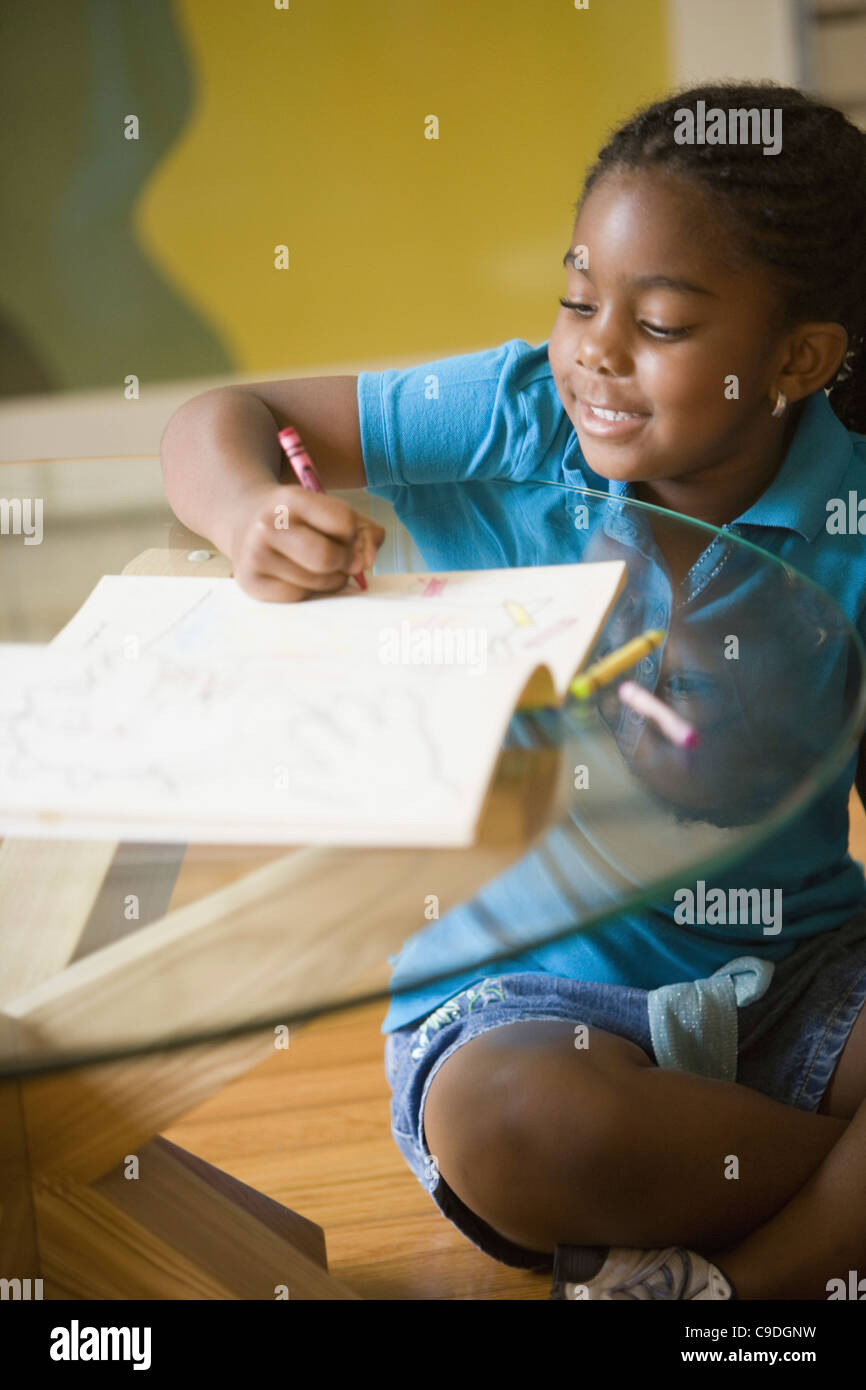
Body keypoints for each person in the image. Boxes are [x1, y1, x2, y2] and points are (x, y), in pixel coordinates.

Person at [160, 82, 866, 1300]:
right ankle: (812, 1238)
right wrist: (246, 508)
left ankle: (723, 1294)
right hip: (536, 1001)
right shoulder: (515, 421)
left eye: (659, 323)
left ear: (797, 358)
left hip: (802, 977)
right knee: (518, 1129)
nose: (593, 348)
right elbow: (228, 415)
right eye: (578, 298)